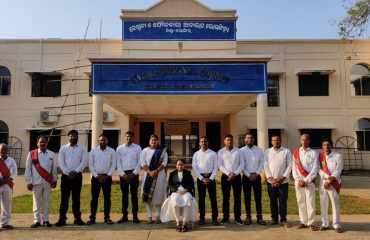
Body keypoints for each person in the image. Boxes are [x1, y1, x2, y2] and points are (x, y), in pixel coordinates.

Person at [55, 130, 88, 227]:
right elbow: (61, 162)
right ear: (68, 137)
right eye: (71, 136)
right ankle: (62, 218)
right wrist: (67, 172)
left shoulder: (82, 148)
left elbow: (84, 161)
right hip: (66, 176)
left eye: (75, 136)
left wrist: (76, 172)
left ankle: (77, 218)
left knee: (76, 198)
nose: (73, 137)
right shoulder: (63, 148)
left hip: (77, 176)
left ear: (77, 137)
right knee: (64, 198)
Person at [25, 136, 58, 228]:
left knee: (46, 202)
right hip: (35, 182)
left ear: (47, 143)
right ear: (37, 143)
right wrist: (28, 182)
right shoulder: (32, 154)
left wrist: (54, 180)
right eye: (41, 142)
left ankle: (46, 220)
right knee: (36, 202)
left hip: (48, 182)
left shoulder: (51, 154)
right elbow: (28, 168)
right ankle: (36, 220)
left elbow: (54, 168)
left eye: (44, 142)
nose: (43, 144)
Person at [87, 133, 116, 225]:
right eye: (101, 140)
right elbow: (90, 165)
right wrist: (96, 176)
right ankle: (92, 218)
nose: (102, 141)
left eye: (104, 140)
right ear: (98, 141)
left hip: (107, 178)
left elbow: (113, 164)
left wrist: (108, 175)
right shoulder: (93, 151)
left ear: (107, 141)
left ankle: (107, 218)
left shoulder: (112, 151)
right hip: (96, 178)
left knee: (107, 198)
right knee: (94, 199)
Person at [161, 159, 197, 232]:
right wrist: (176, 190)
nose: (180, 166)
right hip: (176, 191)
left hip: (186, 191)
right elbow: (170, 184)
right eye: (178, 164)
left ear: (184, 165)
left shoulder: (188, 173)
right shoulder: (172, 174)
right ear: (176, 166)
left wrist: (186, 190)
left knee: (187, 200)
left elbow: (191, 184)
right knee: (174, 201)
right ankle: (178, 222)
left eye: (181, 164)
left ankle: (184, 223)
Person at [292, 134, 319, 231]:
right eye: (302, 140)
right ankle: (303, 222)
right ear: (300, 140)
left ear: (309, 141)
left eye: (306, 140)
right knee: (301, 202)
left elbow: (315, 169)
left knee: (310, 202)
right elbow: (294, 167)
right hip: (298, 181)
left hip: (309, 181)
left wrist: (305, 180)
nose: (304, 142)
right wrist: (298, 179)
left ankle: (311, 223)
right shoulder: (295, 152)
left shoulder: (314, 153)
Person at [264, 135, 292, 227]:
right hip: (271, 182)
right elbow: (265, 166)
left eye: (278, 140)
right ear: (271, 141)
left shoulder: (286, 151)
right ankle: (274, 219)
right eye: (274, 140)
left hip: (283, 182)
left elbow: (289, 165)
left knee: (283, 200)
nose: (276, 142)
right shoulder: (267, 152)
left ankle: (283, 219)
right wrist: (271, 179)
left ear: (281, 141)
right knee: (273, 200)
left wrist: (282, 178)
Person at [140, 134, 168, 224]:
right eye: (152, 140)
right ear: (149, 141)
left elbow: (164, 163)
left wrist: (156, 171)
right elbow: (142, 162)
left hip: (159, 176)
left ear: (158, 141)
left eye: (155, 140)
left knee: (158, 195)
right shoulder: (145, 151)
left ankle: (158, 216)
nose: (153, 142)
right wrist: (150, 172)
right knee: (148, 195)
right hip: (148, 176)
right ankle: (149, 216)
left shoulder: (163, 152)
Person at [218, 133, 244, 225]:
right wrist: (228, 173)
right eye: (228, 140)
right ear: (224, 141)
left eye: (231, 140)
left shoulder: (239, 151)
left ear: (233, 141)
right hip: (225, 177)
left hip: (236, 177)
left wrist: (235, 174)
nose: (230, 141)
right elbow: (220, 165)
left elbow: (242, 164)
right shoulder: (220, 152)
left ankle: (237, 218)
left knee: (237, 198)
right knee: (226, 197)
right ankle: (225, 217)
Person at [192, 136, 219, 225]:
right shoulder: (196, 154)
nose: (203, 143)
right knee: (201, 199)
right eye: (202, 141)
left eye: (205, 141)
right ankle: (202, 218)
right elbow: (194, 167)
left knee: (213, 199)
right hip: (201, 178)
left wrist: (210, 179)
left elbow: (215, 167)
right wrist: (201, 178)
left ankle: (214, 218)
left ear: (208, 143)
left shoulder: (213, 154)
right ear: (199, 143)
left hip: (211, 178)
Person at [318, 139, 344, 233]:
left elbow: (338, 170)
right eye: (324, 145)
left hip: (334, 183)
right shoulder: (320, 156)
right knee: (323, 204)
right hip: (323, 183)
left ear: (332, 146)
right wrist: (326, 177)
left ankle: (336, 224)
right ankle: (325, 224)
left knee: (335, 204)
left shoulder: (338, 156)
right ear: (322, 146)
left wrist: (329, 180)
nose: (326, 147)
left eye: (328, 145)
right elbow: (318, 169)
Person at [240, 133, 266, 225]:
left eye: (251, 138)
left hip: (257, 176)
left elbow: (262, 163)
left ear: (254, 139)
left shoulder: (259, 150)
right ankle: (248, 217)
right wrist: (248, 175)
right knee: (247, 198)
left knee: (258, 197)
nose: (249, 139)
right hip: (246, 177)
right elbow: (241, 164)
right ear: (245, 140)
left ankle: (259, 217)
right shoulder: (241, 151)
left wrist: (256, 174)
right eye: (248, 138)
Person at [116, 131, 142, 224]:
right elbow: (118, 163)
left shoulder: (137, 148)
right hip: (123, 175)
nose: (129, 138)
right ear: (125, 137)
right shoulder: (119, 148)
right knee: (124, 195)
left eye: (130, 136)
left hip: (134, 174)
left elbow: (140, 162)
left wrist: (134, 173)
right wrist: (123, 174)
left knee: (134, 195)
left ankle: (135, 215)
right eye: (127, 136)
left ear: (133, 138)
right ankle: (124, 215)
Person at [0, 143, 17, 230]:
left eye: (5, 149)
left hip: (7, 185)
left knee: (7, 205)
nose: (3, 150)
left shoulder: (12, 160)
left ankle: (5, 223)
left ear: (8, 151)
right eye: (2, 149)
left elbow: (15, 172)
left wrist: (8, 179)